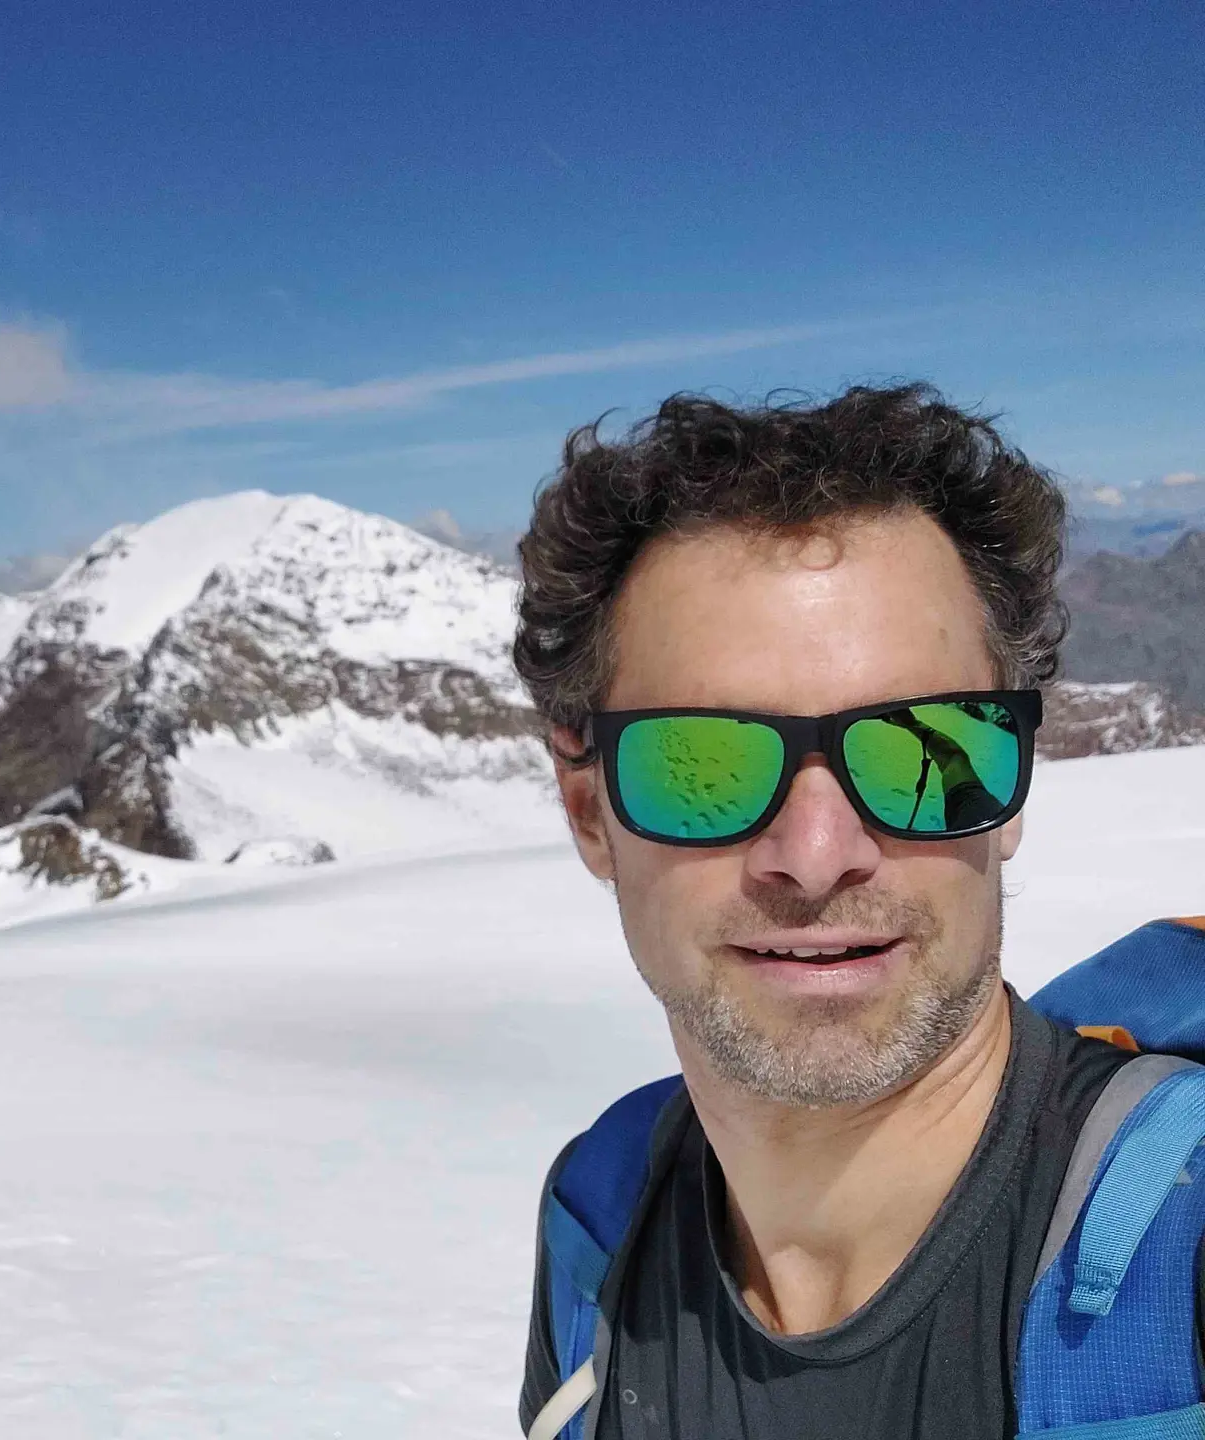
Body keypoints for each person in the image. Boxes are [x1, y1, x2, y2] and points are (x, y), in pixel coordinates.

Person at [510, 385, 1203, 1438]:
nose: (818, 855)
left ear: (1011, 794)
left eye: (927, 750)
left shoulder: (1181, 1242)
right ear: (589, 815)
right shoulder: (599, 1237)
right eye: (702, 763)